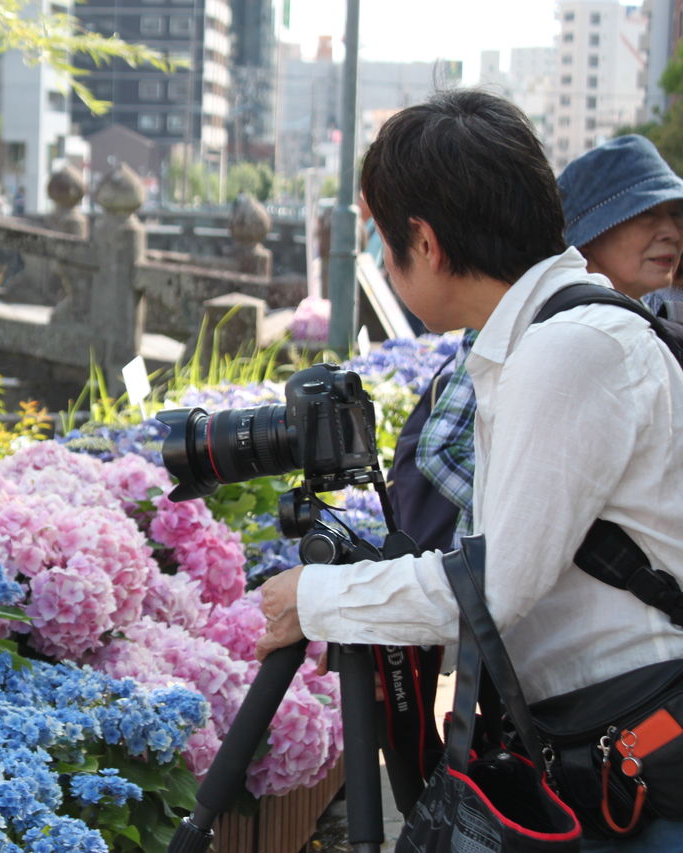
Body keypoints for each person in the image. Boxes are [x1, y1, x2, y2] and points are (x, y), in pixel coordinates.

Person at [253, 90, 683, 850]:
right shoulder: (542, 338)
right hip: (610, 740)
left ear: (423, 241)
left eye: (385, 240)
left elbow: (492, 589)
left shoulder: (566, 350)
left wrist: (314, 597)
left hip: (643, 753)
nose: (388, 260)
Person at [404, 133, 683, 545]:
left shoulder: (653, 318)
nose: (670, 232)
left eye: (676, 214)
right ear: (593, 229)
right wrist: (549, 530)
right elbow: (444, 448)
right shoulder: (525, 316)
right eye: (647, 215)